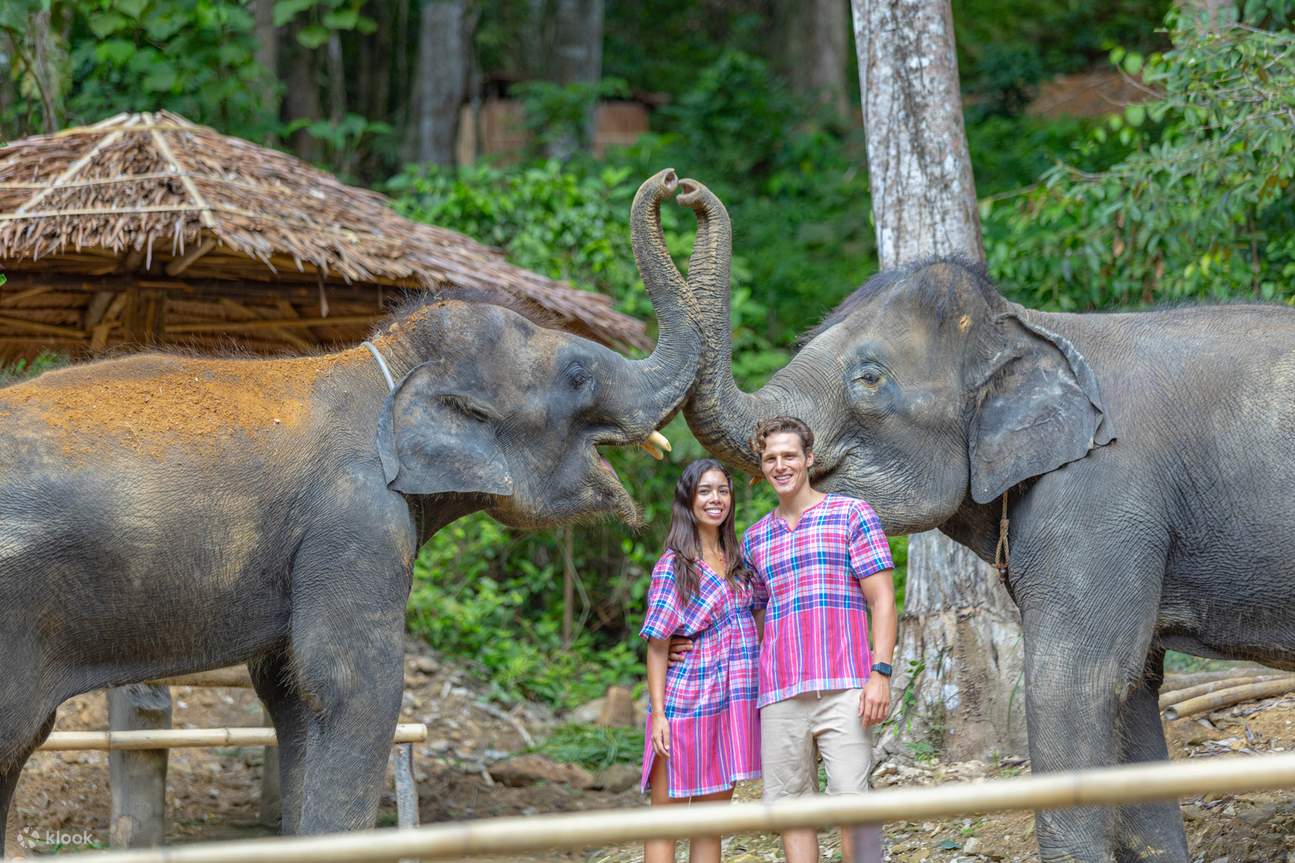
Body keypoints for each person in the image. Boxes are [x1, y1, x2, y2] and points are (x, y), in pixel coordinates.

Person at [672, 416, 897, 863]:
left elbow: (884, 600)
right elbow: (742, 613)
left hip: (845, 687)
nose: (780, 465)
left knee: (855, 808)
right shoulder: (755, 538)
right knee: (791, 812)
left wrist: (881, 673)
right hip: (778, 695)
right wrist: (682, 642)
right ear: (762, 467)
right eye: (770, 458)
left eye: (789, 455)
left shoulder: (851, 514)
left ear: (809, 459)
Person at [640, 458, 761, 863]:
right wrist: (659, 714)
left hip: (734, 702)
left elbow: (756, 616)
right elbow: (657, 644)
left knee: (711, 820)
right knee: (667, 819)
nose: (715, 499)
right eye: (705, 491)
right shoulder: (675, 564)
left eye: (723, 490)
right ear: (688, 500)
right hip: (687, 701)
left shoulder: (738, 559)